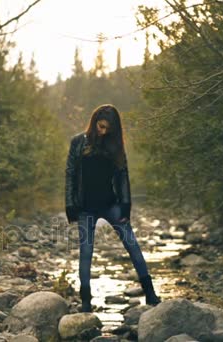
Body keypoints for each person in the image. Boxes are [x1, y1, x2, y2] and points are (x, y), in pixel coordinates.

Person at [65, 104, 161, 313]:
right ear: (94, 123)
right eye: (101, 127)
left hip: (111, 205)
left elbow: (122, 176)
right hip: (85, 208)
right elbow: (70, 174)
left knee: (132, 245)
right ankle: (86, 302)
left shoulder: (115, 145)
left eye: (108, 128)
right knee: (86, 252)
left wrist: (126, 207)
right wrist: (70, 205)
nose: (104, 131)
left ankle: (151, 294)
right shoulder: (78, 142)